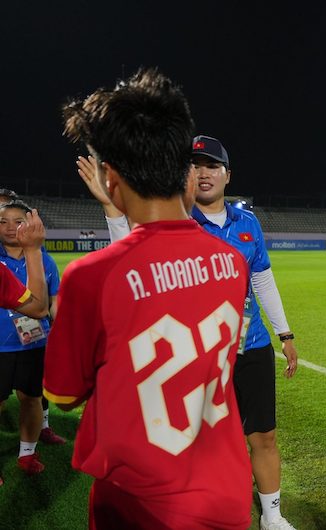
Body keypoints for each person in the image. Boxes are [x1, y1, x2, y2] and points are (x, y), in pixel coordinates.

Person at [43, 68, 252, 529]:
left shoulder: (91, 278)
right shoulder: (231, 263)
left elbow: (61, 395)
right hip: (228, 498)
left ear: (110, 177)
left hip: (139, 505)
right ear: (184, 168)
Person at [77, 135, 299, 530]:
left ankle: (272, 514)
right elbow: (129, 263)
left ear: (228, 175)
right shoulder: (170, 221)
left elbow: (262, 279)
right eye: (194, 166)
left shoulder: (247, 223)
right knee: (197, 443)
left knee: (263, 435)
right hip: (197, 351)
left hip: (251, 347)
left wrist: (284, 334)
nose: (203, 173)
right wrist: (112, 209)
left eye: (212, 165)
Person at [0, 200, 63, 478]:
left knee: (32, 399)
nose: (11, 227)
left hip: (33, 344)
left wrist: (59, 335)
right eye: (3, 221)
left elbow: (51, 304)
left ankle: (27, 453)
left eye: (17, 221)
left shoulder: (45, 260)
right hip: (0, 346)